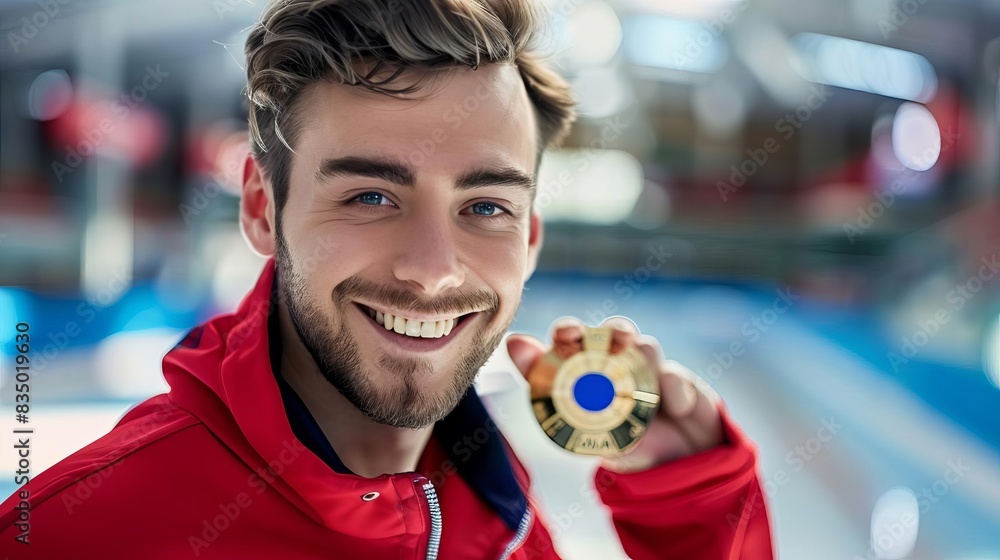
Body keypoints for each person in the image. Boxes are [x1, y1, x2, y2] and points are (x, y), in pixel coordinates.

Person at [0, 0, 774, 557]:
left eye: (485, 206)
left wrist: (691, 506)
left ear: (531, 238)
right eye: (371, 196)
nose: (433, 270)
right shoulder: (76, 534)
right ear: (263, 209)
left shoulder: (480, 486)